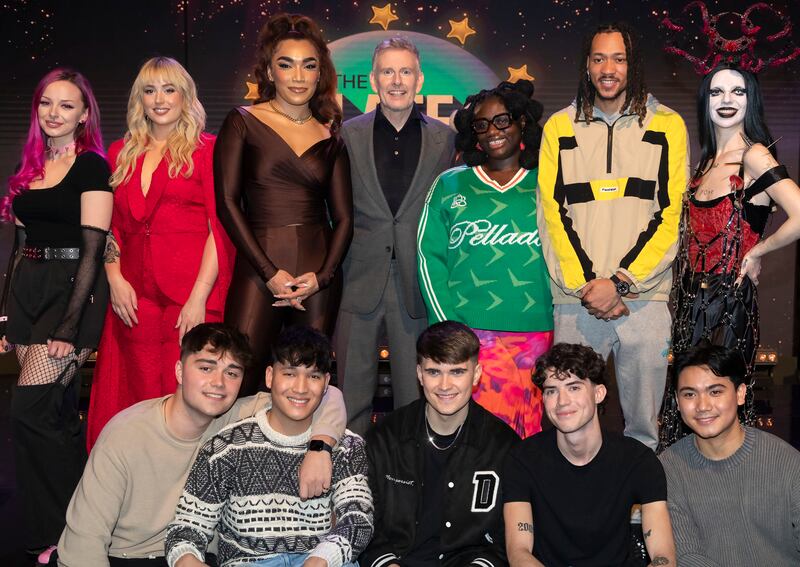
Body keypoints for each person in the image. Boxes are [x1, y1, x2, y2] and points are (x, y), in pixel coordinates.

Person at [57, 323, 347, 566]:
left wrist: (319, 448)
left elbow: (325, 394)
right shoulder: (126, 433)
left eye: (232, 373)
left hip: (198, 554)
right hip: (129, 556)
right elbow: (84, 541)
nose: (219, 382)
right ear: (180, 372)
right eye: (206, 368)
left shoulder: (236, 417)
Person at [536, 22, 689, 450]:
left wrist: (620, 283)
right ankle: (571, 510)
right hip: (575, 300)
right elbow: (551, 215)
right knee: (568, 421)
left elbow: (671, 213)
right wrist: (590, 286)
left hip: (645, 299)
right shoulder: (559, 127)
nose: (609, 68)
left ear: (631, 65)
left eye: (618, 59)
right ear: (587, 66)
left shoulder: (668, 125)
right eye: (600, 58)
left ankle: (644, 511)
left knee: (644, 426)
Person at [86, 56, 234, 449]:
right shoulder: (120, 151)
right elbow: (110, 225)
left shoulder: (208, 150)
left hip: (189, 296)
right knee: (135, 395)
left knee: (191, 398)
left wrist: (199, 296)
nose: (159, 99)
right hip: (135, 299)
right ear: (139, 99)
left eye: (169, 89)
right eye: (150, 90)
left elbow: (217, 229)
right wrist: (115, 278)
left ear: (185, 97)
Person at [0, 68, 111, 561]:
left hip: (71, 294)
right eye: (47, 103)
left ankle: (75, 526)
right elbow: (19, 246)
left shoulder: (91, 166)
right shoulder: (31, 167)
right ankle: (68, 530)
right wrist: (6, 314)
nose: (54, 113)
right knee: (57, 418)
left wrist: (70, 325)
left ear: (84, 114)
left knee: (31, 411)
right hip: (28, 293)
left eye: (66, 105)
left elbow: (94, 248)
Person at [660, 63, 800, 447]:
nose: (726, 100)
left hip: (729, 302)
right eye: (717, 92)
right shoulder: (703, 164)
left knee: (718, 400)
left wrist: (757, 251)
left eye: (737, 92)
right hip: (689, 304)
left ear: (750, 100)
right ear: (704, 101)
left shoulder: (753, 156)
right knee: (686, 402)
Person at [215, 12, 352, 395]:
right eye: (286, 64)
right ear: (269, 71)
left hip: (316, 277)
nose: (297, 76)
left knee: (305, 386)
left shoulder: (331, 134)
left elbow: (344, 219)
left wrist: (321, 277)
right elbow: (227, 203)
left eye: (308, 66)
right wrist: (268, 272)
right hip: (259, 271)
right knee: (237, 378)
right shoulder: (242, 121)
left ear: (319, 73)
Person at [165, 326, 372, 567]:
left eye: (313, 376)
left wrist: (321, 559)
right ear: (270, 376)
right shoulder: (226, 447)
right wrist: (187, 560)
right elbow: (186, 528)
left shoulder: (347, 447)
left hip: (320, 560)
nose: (301, 388)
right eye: (290, 374)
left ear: (326, 383)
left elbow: (358, 518)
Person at [417, 80, 553, 438]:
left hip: (536, 335)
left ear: (523, 122)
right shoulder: (450, 185)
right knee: (479, 440)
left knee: (532, 438)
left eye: (503, 120)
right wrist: (447, 327)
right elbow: (429, 258)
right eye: (482, 125)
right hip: (472, 338)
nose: (493, 131)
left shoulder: (547, 181)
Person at [336, 36, 456, 436]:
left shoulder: (446, 139)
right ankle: (346, 483)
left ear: (419, 79)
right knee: (349, 399)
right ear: (373, 80)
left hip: (416, 285)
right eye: (388, 71)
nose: (397, 80)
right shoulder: (346, 135)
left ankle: (408, 485)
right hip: (357, 281)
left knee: (414, 401)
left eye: (405, 71)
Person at [362, 321, 519, 567]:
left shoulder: (503, 445)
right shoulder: (385, 436)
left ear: (476, 374)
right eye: (434, 372)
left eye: (457, 372)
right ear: (419, 374)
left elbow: (505, 538)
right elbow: (365, 521)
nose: (445, 386)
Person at [503, 343, 676, 567]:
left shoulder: (637, 460)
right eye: (551, 391)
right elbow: (518, 552)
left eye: (574, 387)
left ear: (598, 393)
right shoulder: (522, 460)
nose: (562, 401)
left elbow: (663, 555)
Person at [659, 342, 800, 565]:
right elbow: (687, 555)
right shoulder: (668, 468)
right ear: (677, 402)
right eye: (689, 394)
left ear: (740, 394)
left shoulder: (785, 461)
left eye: (715, 392)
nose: (703, 406)